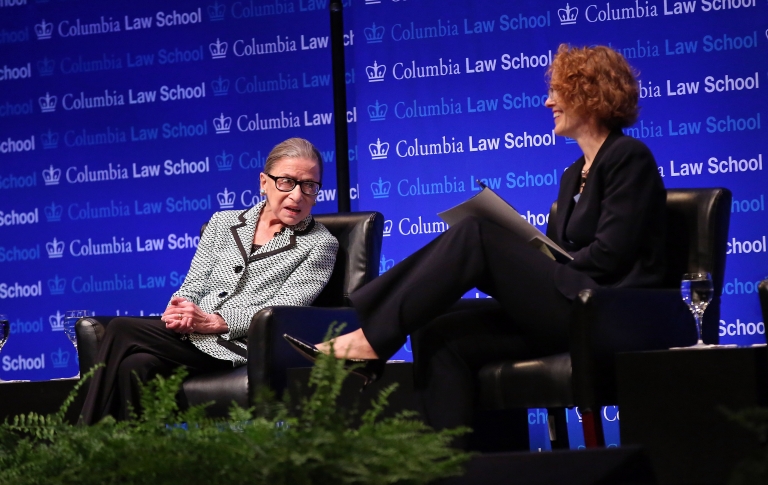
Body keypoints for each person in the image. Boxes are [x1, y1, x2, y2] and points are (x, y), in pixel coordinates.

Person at [284, 44, 666, 434]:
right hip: (567, 306)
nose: (548, 100)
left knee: (476, 233)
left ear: (589, 92)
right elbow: (562, 253)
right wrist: (540, 259)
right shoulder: (572, 175)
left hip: (605, 313)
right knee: (435, 327)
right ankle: (451, 467)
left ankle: (370, 336)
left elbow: (610, 257)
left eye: (558, 90)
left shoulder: (628, 156)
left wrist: (539, 264)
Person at [80, 137, 338, 424]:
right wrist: (181, 311)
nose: (297, 195)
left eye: (309, 186)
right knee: (135, 365)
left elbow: (285, 310)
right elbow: (193, 285)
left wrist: (216, 321)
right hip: (190, 336)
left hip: (241, 345)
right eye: (287, 182)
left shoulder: (320, 244)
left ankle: (84, 441)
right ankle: (134, 461)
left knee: (120, 328)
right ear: (264, 182)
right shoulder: (222, 223)